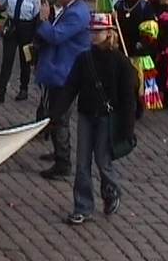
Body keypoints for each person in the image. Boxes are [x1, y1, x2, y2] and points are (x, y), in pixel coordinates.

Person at [64, 13, 137, 224]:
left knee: (103, 160)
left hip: (107, 117)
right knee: (82, 162)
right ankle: (83, 206)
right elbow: (71, 87)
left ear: (109, 33)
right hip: (86, 114)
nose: (95, 35)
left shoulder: (121, 62)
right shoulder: (84, 59)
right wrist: (57, 112)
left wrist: (128, 127)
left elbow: (128, 98)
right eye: (93, 32)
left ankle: (111, 190)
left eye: (99, 31)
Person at [36, 0, 91, 180]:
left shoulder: (77, 14)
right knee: (56, 114)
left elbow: (56, 36)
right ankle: (59, 151)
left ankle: (63, 163)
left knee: (60, 116)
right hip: (61, 69)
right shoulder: (73, 9)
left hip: (66, 72)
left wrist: (43, 20)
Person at [115, 0, 161, 114]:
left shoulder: (145, 6)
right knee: (123, 81)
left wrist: (142, 44)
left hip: (138, 53)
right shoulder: (119, 6)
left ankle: (138, 107)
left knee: (138, 83)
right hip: (122, 50)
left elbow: (151, 32)